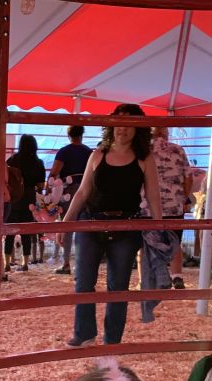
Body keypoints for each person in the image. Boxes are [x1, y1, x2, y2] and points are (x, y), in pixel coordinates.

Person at [62, 102, 162, 347]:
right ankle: (84, 334)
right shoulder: (97, 154)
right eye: (118, 123)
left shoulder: (144, 159)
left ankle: (112, 339)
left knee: (118, 286)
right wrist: (65, 224)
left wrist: (160, 228)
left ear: (139, 129)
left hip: (126, 227)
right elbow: (83, 191)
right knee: (83, 281)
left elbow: (153, 195)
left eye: (130, 124)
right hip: (91, 223)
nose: (123, 129)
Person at [138, 125, 190, 322]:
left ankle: (147, 280)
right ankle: (177, 275)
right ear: (166, 134)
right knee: (173, 242)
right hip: (173, 205)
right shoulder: (178, 150)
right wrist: (183, 198)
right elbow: (188, 177)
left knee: (146, 246)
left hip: (146, 206)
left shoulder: (142, 150)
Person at [47, 125, 92, 274]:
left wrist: (50, 187)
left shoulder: (64, 151)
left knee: (66, 226)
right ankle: (82, 263)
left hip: (69, 190)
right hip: (87, 190)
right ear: (82, 134)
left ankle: (66, 263)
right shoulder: (88, 152)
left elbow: (54, 172)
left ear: (68, 135)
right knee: (83, 226)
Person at [6, 134, 46, 268]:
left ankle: (7, 263)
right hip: (29, 198)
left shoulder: (12, 160)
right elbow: (40, 186)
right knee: (26, 231)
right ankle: (25, 263)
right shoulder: (38, 163)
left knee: (9, 231)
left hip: (14, 198)